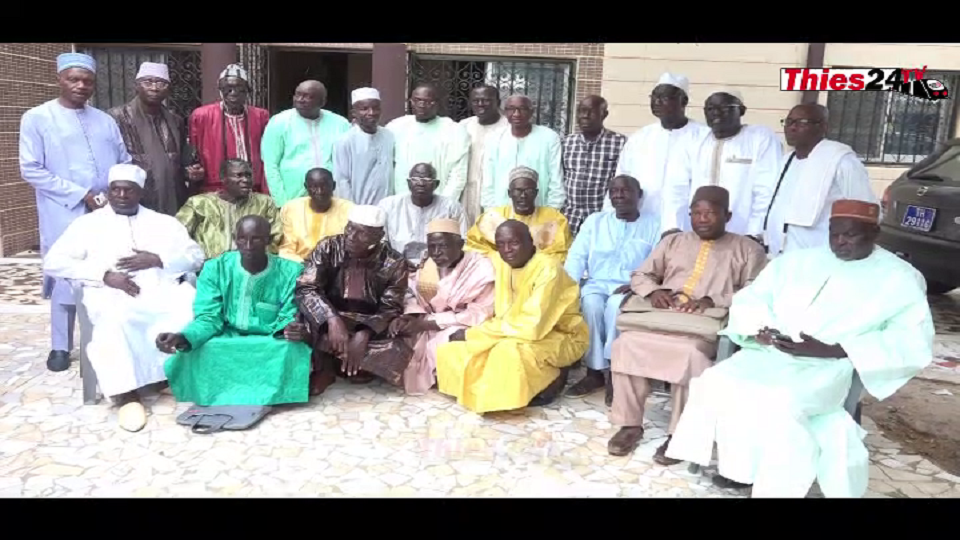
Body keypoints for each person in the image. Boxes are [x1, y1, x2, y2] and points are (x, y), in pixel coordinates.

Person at [664, 200, 934, 498]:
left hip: (828, 367)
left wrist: (837, 349)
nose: (840, 242)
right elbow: (753, 298)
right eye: (834, 234)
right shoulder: (798, 261)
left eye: (850, 235)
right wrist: (761, 329)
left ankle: (778, 486)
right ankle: (740, 470)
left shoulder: (900, 278)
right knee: (716, 383)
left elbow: (910, 339)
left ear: (875, 233)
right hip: (771, 354)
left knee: (781, 401)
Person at [605, 186, 767, 459]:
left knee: (690, 355)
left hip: (701, 327)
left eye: (710, 213)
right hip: (661, 318)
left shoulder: (748, 249)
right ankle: (630, 424)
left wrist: (713, 300)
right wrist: (654, 291)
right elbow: (641, 274)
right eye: (697, 213)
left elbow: (757, 292)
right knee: (626, 345)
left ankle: (680, 433)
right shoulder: (673, 242)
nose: (702, 219)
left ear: (727, 215)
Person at [42, 164, 204, 432]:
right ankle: (126, 393)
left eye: (128, 190)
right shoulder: (87, 225)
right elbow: (53, 261)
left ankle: (170, 375)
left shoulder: (163, 222)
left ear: (140, 193)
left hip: (161, 290)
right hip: (111, 293)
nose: (121, 195)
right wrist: (104, 275)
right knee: (116, 320)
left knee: (191, 311)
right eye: (115, 189)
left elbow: (195, 256)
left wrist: (158, 259)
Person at [19, 52, 132, 372]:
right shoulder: (37, 118)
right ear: (60, 80)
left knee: (108, 271)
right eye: (74, 79)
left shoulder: (105, 120)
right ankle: (60, 346)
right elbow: (31, 169)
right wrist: (81, 194)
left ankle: (106, 340)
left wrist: (116, 191)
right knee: (65, 274)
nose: (81, 86)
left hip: (107, 210)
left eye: (88, 81)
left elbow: (124, 159)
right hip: (63, 211)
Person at [157, 215, 312, 408]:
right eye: (242, 239)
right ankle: (237, 394)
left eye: (255, 239)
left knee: (291, 349)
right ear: (234, 238)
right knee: (201, 347)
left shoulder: (290, 271)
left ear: (268, 240)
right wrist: (183, 337)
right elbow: (208, 317)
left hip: (270, 339)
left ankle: (264, 394)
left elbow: (289, 313)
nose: (247, 245)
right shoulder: (215, 268)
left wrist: (289, 328)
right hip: (227, 335)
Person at [436, 220, 589, 414]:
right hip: (511, 332)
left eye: (514, 243)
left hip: (559, 336)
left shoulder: (549, 269)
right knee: (452, 351)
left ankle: (554, 376)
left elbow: (532, 327)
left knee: (505, 352)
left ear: (530, 242)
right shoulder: (504, 265)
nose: (507, 249)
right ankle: (491, 391)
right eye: (500, 244)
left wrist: (476, 334)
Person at [562, 175, 660, 404]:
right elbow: (577, 256)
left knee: (616, 307)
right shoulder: (595, 221)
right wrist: (567, 287)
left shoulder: (654, 224)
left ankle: (616, 374)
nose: (619, 195)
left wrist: (638, 284)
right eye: (614, 191)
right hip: (597, 283)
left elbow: (658, 263)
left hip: (632, 287)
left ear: (639, 195)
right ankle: (595, 372)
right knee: (591, 304)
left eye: (625, 190)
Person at [295, 205, 409, 395]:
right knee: (300, 325)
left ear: (378, 236)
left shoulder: (394, 262)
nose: (351, 236)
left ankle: (348, 361)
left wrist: (364, 334)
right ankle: (326, 369)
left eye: (361, 233)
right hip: (327, 319)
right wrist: (331, 319)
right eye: (350, 228)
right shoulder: (328, 247)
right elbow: (307, 287)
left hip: (369, 323)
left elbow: (391, 307)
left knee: (396, 348)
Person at [388, 218, 496, 396]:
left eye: (443, 246)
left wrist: (428, 323)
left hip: (463, 323)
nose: (436, 253)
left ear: (460, 244)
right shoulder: (427, 264)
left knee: (456, 338)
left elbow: (481, 312)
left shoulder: (480, 268)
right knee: (396, 332)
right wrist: (410, 317)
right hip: (425, 321)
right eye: (432, 247)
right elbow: (413, 294)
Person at [664, 89, 783, 239]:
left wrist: (755, 232)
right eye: (710, 109)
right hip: (696, 233)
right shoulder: (692, 141)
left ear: (741, 110)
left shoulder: (760, 138)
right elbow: (676, 188)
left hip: (742, 234)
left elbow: (766, 190)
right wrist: (673, 227)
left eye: (724, 108)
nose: (716, 113)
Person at [763, 104, 876, 258]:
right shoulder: (786, 161)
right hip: (780, 257)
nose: (792, 128)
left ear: (823, 127)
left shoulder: (842, 162)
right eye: (788, 122)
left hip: (818, 257)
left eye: (801, 123)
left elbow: (864, 209)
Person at [614, 73, 710, 236]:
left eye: (664, 97)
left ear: (684, 101)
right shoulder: (640, 138)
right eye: (654, 97)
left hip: (686, 227)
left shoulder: (705, 138)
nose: (657, 102)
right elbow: (621, 180)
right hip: (641, 225)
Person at [108, 62, 197, 216]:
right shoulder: (117, 117)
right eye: (148, 82)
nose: (154, 88)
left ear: (168, 89)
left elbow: (184, 161)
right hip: (134, 197)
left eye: (161, 83)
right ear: (137, 86)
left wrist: (193, 172)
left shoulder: (175, 120)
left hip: (172, 196)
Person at [261, 80, 351, 208]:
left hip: (332, 197)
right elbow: (271, 165)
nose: (300, 99)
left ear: (322, 102)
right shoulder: (279, 122)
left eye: (308, 96)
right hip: (293, 198)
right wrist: (282, 202)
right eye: (297, 95)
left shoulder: (340, 124)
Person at [188, 63, 270, 195]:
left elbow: (268, 153)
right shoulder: (202, 116)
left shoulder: (261, 116)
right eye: (228, 88)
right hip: (215, 189)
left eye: (239, 88)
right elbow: (194, 150)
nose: (233, 93)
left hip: (252, 188)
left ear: (247, 90)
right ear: (220, 90)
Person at [177, 159, 282, 260]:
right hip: (208, 269)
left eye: (248, 175)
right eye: (238, 175)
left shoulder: (264, 203)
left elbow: (276, 238)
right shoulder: (199, 203)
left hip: (253, 268)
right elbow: (176, 233)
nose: (245, 180)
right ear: (223, 178)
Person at [466, 166, 572, 263]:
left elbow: (561, 254)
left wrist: (529, 263)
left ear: (536, 193)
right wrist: (502, 260)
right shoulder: (492, 217)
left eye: (529, 191)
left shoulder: (554, 219)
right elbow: (473, 247)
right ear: (509, 193)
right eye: (518, 191)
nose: (523, 196)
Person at [385, 84, 470, 200]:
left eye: (428, 101)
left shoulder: (454, 130)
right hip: (402, 199)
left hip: (439, 200)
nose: (422, 105)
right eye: (417, 100)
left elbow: (458, 174)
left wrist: (445, 203)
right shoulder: (396, 127)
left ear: (438, 104)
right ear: (411, 102)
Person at [377, 163, 469, 268]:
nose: (421, 183)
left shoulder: (452, 208)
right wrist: (400, 262)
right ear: (408, 183)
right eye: (415, 179)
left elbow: (463, 243)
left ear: (436, 184)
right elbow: (380, 243)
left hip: (439, 267)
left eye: (427, 180)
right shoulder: (388, 206)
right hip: (396, 267)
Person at [482, 95, 564, 211]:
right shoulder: (494, 138)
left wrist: (552, 211)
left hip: (539, 209)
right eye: (511, 109)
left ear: (532, 112)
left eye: (523, 109)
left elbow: (556, 178)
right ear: (505, 112)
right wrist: (491, 212)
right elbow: (488, 179)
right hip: (501, 210)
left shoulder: (549, 137)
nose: (516, 114)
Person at [561, 95, 627, 236]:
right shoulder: (566, 143)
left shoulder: (620, 143)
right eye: (581, 111)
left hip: (602, 217)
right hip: (568, 217)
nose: (585, 116)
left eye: (591, 111)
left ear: (604, 114)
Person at [333, 87, 395, 205]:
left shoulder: (389, 136)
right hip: (357, 208)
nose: (371, 113)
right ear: (354, 113)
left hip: (386, 206)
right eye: (364, 109)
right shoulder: (345, 141)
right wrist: (351, 210)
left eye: (375, 108)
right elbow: (341, 180)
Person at [278, 167, 353, 262]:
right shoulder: (291, 209)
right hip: (298, 266)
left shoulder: (349, 209)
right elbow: (286, 249)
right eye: (314, 186)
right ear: (306, 186)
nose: (320, 191)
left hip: (335, 267)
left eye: (325, 186)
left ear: (333, 186)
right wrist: (305, 267)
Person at [458, 85, 509, 225]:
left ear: (498, 102)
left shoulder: (509, 128)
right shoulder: (464, 126)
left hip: (497, 193)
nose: (481, 104)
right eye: (476, 100)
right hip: (468, 191)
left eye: (486, 100)